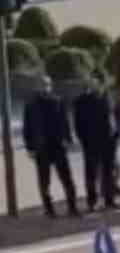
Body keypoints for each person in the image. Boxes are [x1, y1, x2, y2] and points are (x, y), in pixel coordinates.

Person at [22, 75, 79, 218]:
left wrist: (69, 139)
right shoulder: (31, 105)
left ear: (51, 85)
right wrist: (29, 148)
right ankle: (49, 209)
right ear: (37, 86)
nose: (45, 87)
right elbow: (27, 128)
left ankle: (72, 207)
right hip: (41, 147)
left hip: (58, 145)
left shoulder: (58, 101)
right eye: (42, 84)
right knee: (44, 180)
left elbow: (65, 122)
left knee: (66, 178)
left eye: (47, 84)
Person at [73, 78, 119, 213]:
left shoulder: (107, 97)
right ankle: (92, 202)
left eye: (99, 84)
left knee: (109, 172)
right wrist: (83, 139)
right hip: (91, 142)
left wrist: (116, 132)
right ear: (89, 86)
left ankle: (110, 200)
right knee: (91, 173)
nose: (97, 87)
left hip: (109, 141)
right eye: (94, 85)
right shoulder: (82, 101)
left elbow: (115, 115)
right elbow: (78, 123)